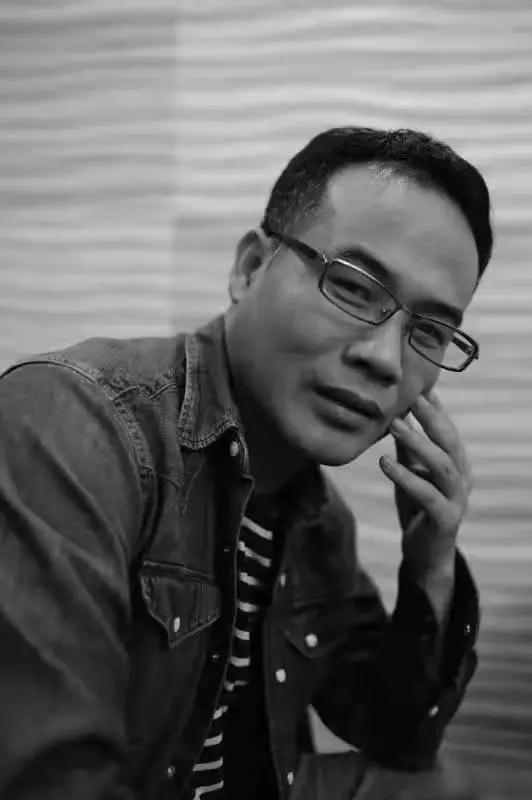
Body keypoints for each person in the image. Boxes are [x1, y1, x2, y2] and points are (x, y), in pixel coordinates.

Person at [0, 126, 493, 800]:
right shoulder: (75, 421)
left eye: (430, 332)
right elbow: (50, 778)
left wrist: (431, 562)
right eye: (353, 287)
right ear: (251, 268)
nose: (385, 359)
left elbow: (397, 736)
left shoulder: (317, 518)